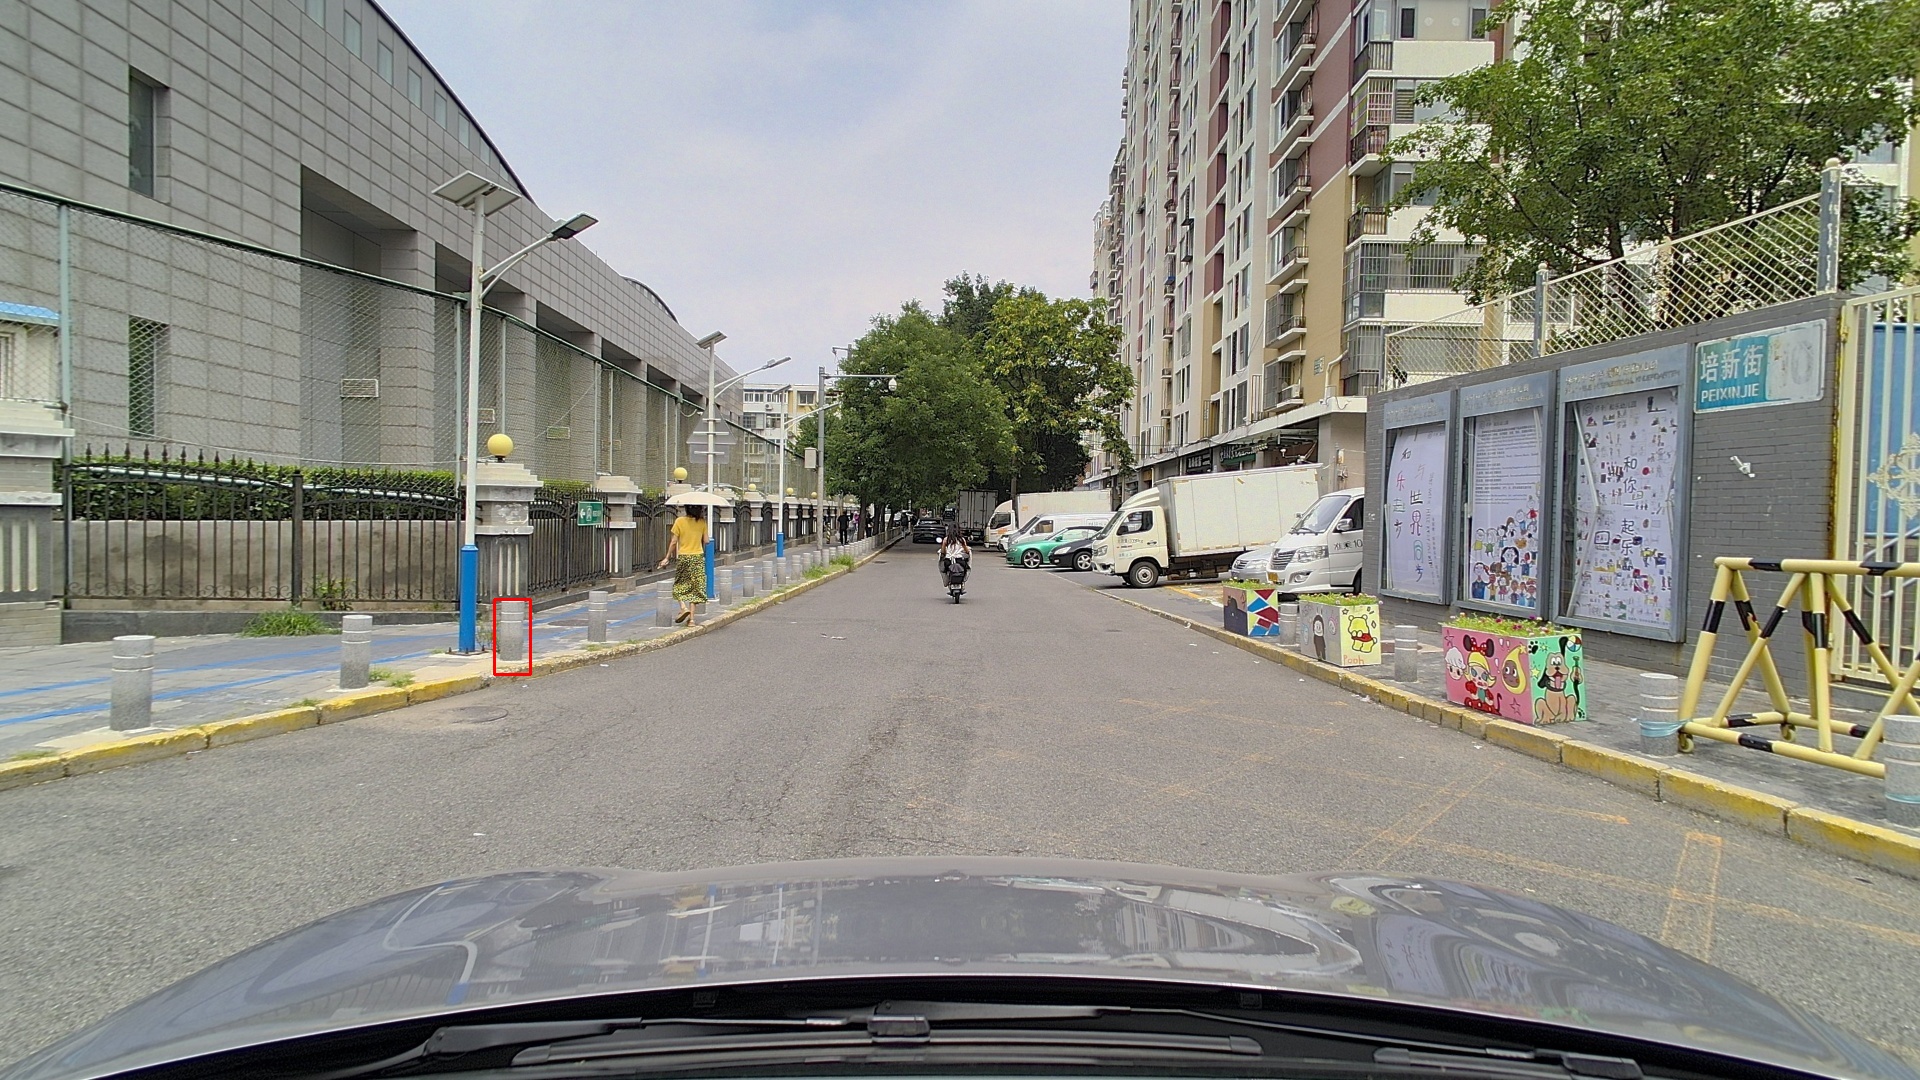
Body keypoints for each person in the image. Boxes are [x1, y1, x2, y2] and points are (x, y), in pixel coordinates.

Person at [657, 504, 708, 626]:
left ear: (686, 509)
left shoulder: (679, 521)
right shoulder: (702, 522)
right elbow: (706, 540)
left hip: (684, 557)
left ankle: (683, 607)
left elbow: (674, 541)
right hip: (697, 557)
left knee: (679, 584)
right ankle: (692, 620)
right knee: (695, 587)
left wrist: (667, 557)